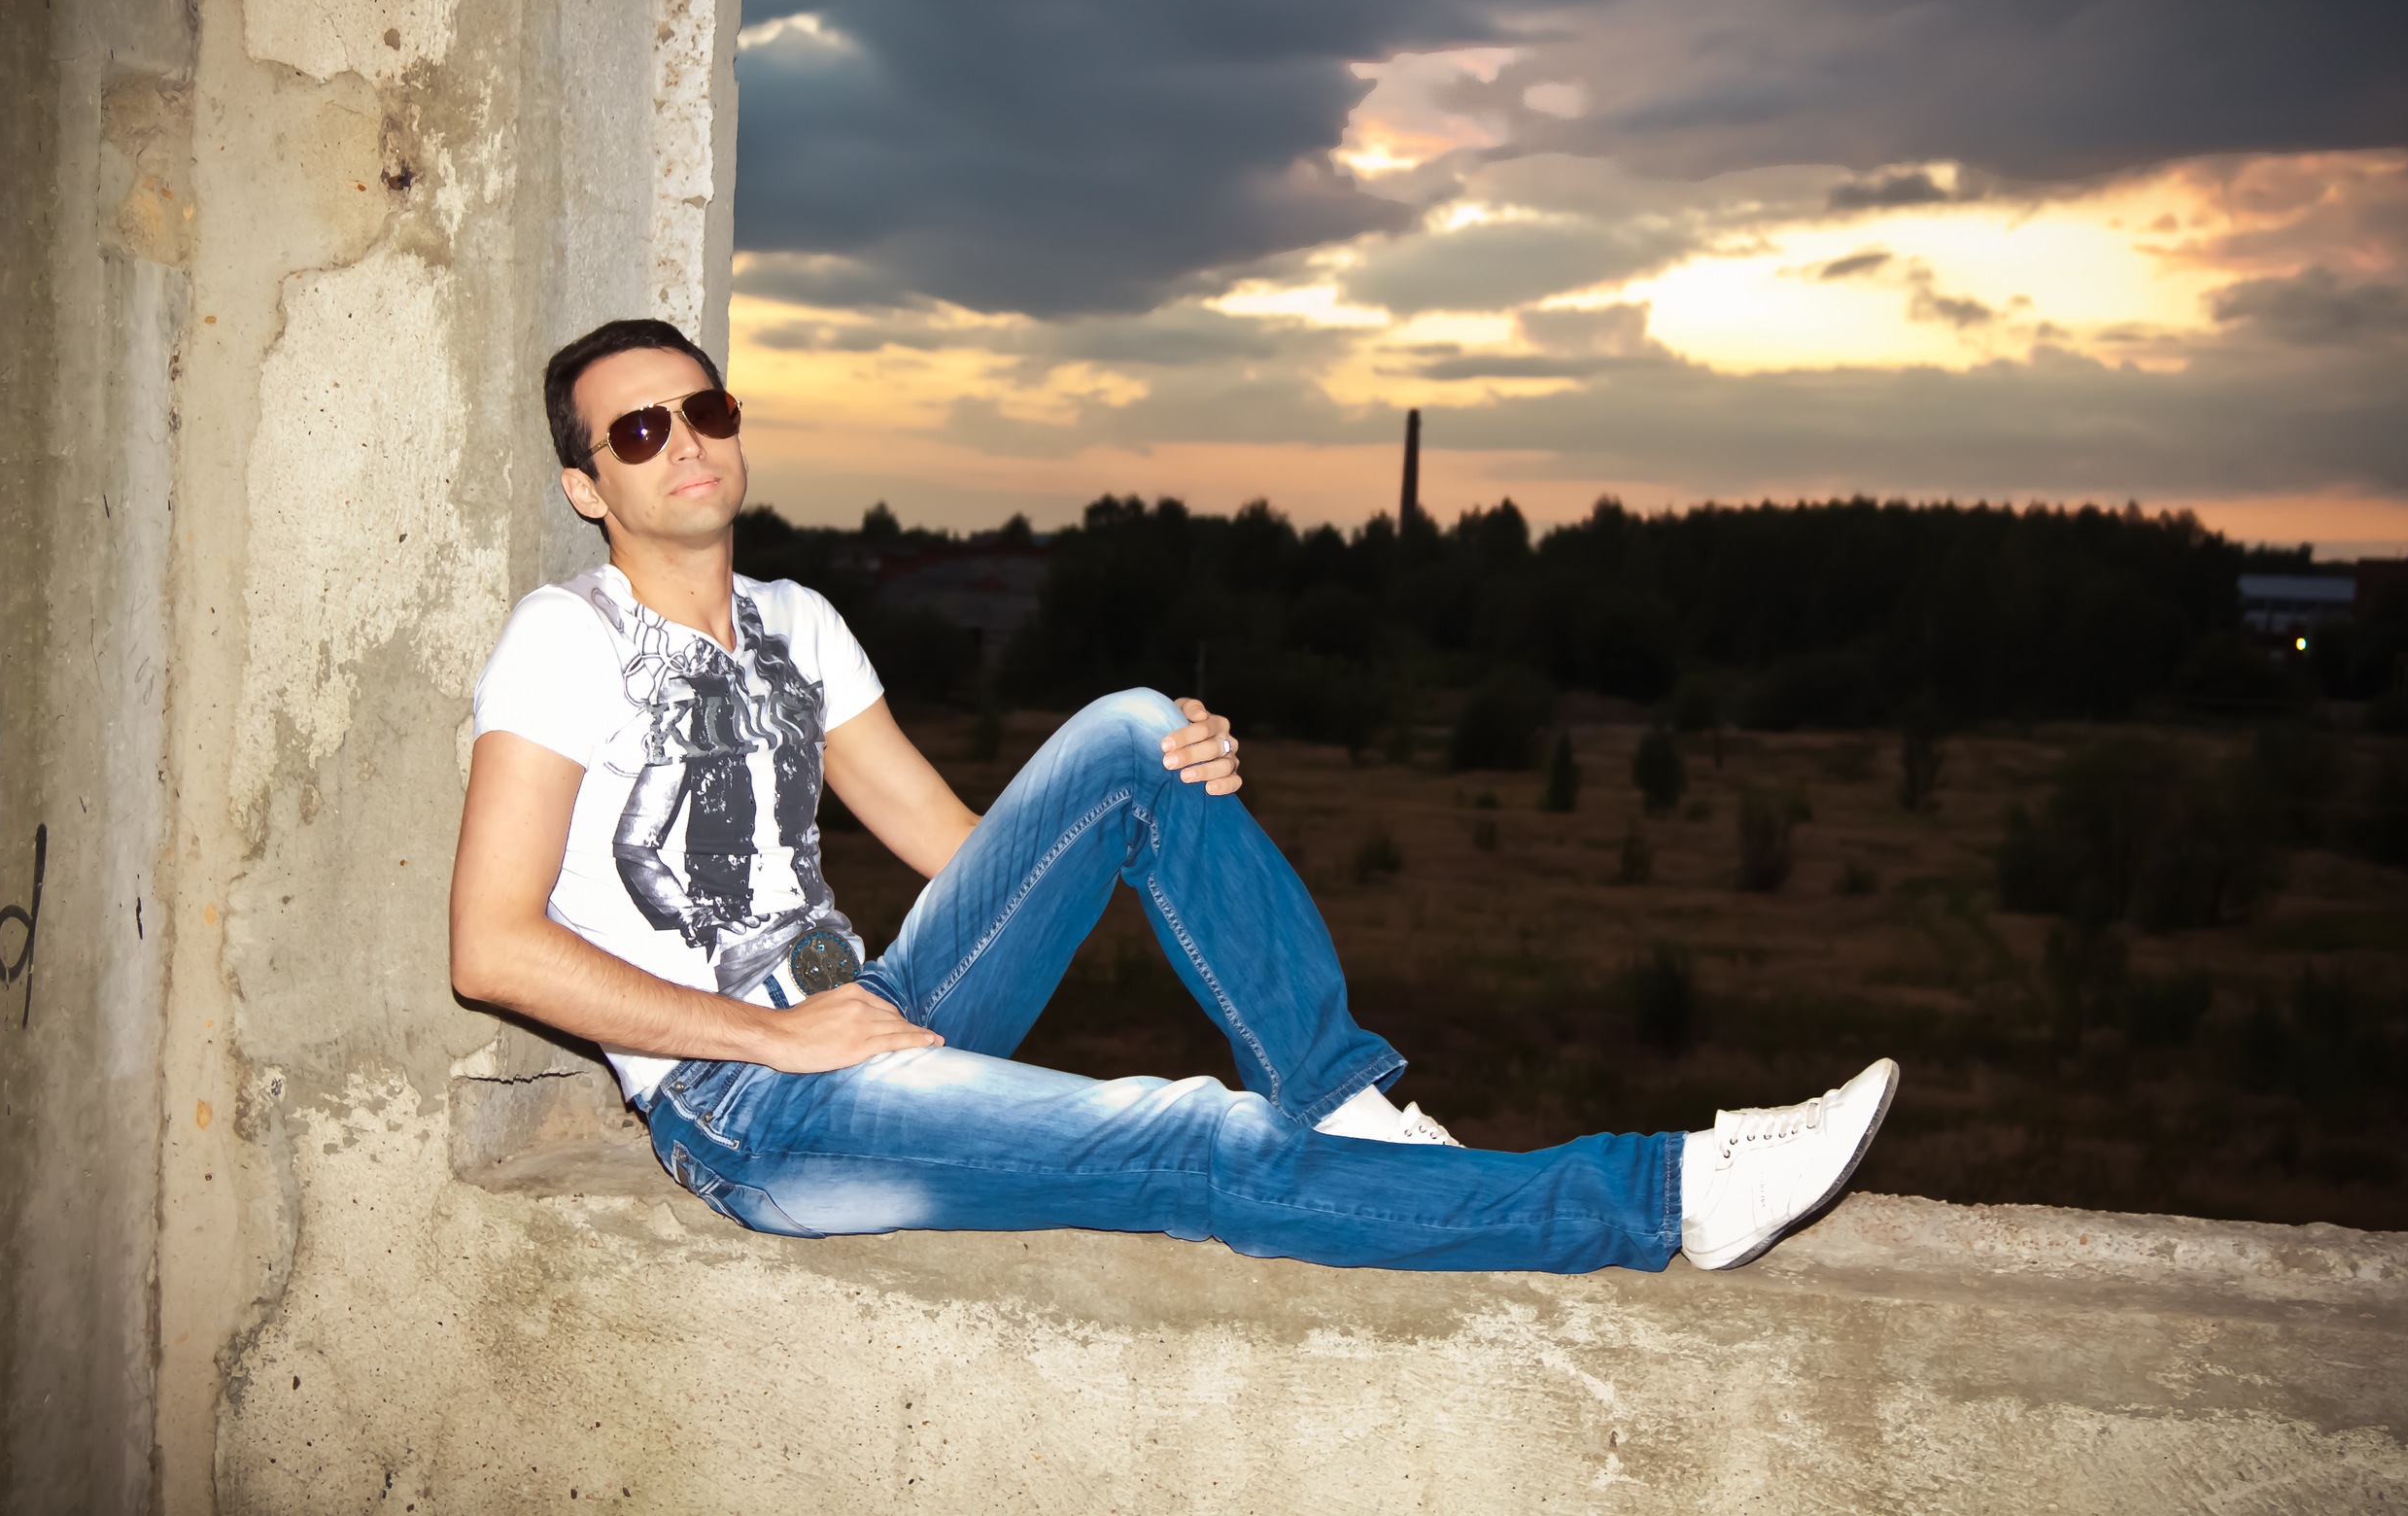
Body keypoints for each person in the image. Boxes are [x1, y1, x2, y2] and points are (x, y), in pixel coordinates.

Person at [448, 317, 1897, 1274]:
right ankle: (1667, 1198)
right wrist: (774, 1039)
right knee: (1190, 1138)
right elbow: (492, 948)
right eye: (638, 432)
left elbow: (966, 855)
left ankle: (1345, 1102)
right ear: (588, 486)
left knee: (1142, 731)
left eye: (703, 409)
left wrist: (1167, 799)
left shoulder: (798, 623)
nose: (686, 443)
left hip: (873, 1012)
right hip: (749, 1108)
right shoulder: (563, 641)